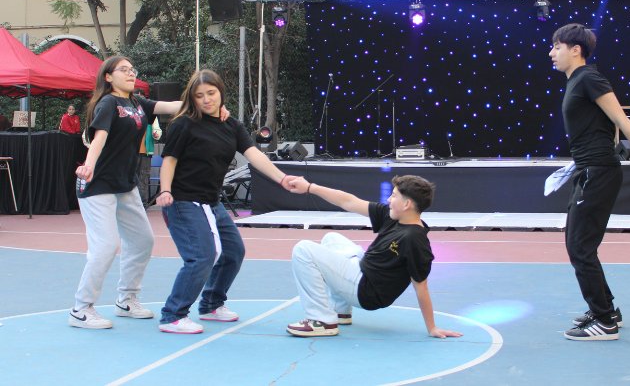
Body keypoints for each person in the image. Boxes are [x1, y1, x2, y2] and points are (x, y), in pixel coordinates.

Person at [548, 23, 630, 341]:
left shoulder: (589, 78)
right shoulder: (577, 81)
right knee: (580, 244)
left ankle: (604, 321)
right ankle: (607, 310)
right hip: (589, 170)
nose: (552, 53)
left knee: (579, 247)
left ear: (576, 50)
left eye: (557, 46)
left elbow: (622, 121)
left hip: (598, 172)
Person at [155, 69, 295, 334]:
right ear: (192, 98)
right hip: (183, 201)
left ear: (220, 93)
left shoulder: (232, 125)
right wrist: (165, 190)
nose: (206, 100)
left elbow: (254, 155)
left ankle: (211, 304)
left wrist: (282, 178)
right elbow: (169, 161)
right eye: (199, 96)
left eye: (211, 93)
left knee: (233, 252)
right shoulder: (183, 124)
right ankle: (173, 315)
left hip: (211, 202)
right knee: (201, 256)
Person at [70, 56, 200, 330]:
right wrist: (88, 166)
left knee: (142, 241)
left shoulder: (137, 103)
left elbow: (173, 106)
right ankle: (81, 308)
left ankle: (126, 300)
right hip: (97, 184)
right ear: (108, 76)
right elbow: (99, 138)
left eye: (132, 70)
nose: (131, 74)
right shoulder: (107, 103)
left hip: (124, 185)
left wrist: (206, 103)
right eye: (124, 70)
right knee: (105, 246)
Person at [284, 174, 462, 339]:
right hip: (363, 273)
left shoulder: (414, 239)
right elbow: (348, 201)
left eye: (393, 196)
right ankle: (341, 311)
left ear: (406, 204)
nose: (388, 199)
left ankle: (322, 321)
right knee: (332, 239)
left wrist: (432, 328)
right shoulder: (394, 217)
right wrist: (309, 187)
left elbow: (421, 285)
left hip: (366, 292)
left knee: (303, 250)